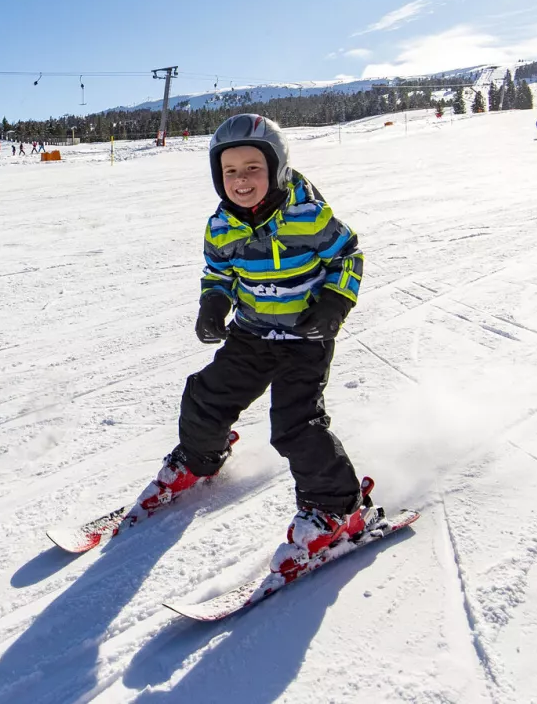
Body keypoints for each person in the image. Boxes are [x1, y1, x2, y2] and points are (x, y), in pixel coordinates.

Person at [130, 114, 373, 582]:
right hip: (252, 332)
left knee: (295, 425)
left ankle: (338, 509)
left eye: (253, 168)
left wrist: (334, 304)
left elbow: (348, 256)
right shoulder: (221, 225)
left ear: (278, 168)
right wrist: (213, 304)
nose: (241, 181)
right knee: (205, 395)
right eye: (230, 171)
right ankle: (201, 457)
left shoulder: (310, 216)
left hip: (305, 337)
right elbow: (217, 271)